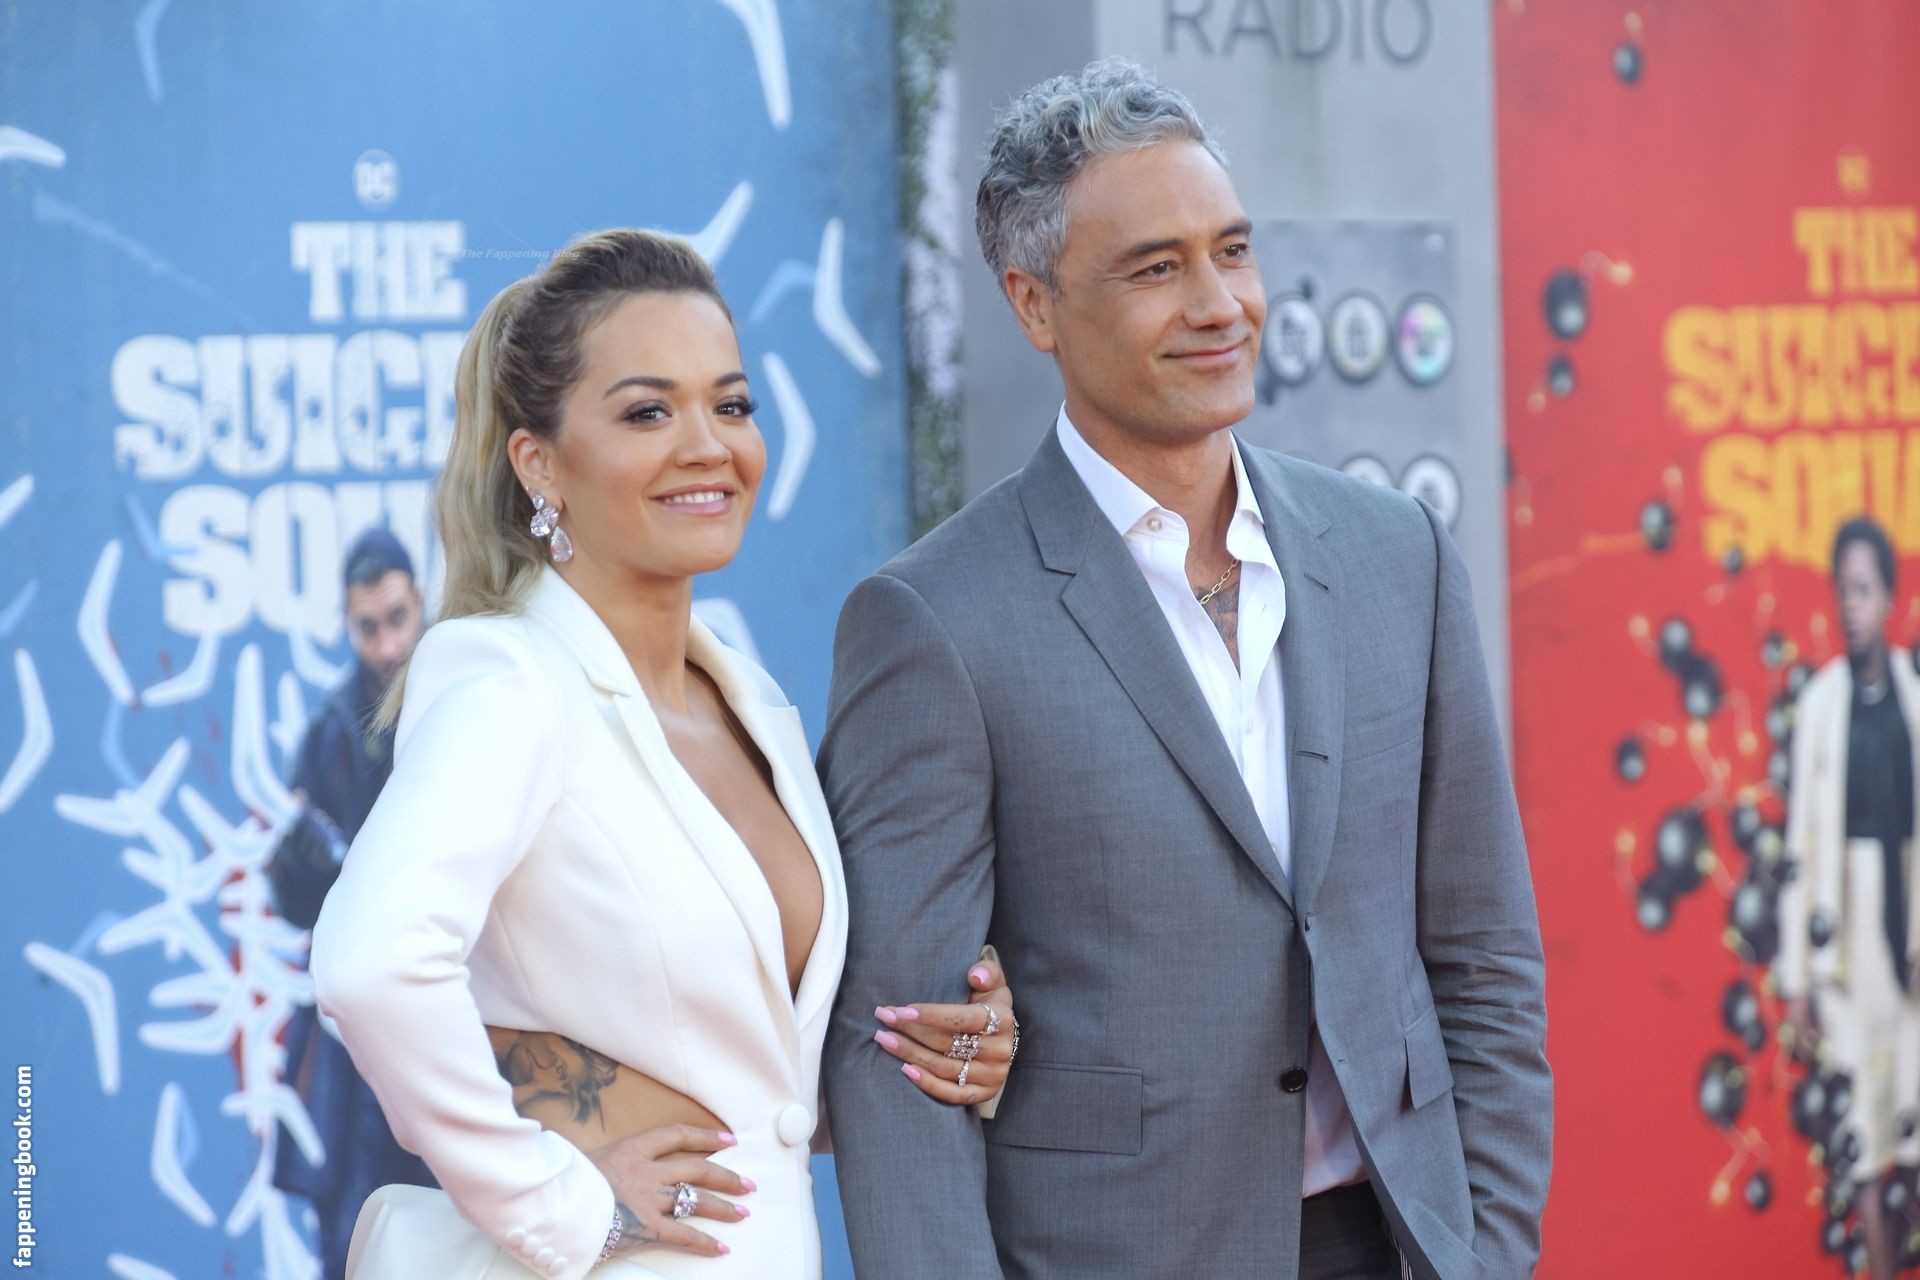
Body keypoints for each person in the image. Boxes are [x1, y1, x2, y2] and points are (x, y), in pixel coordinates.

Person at [820, 59, 1552, 1279]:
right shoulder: (934, 622)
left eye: (1233, 251)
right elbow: (902, 1061)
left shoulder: (1397, 557)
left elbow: (1483, 957)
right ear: (1034, 304)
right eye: (1156, 268)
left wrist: (1488, 1250)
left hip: (1398, 1240)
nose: (1221, 304)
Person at [309, 230, 1018, 1280]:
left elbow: (761, 1080)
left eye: (731, 405)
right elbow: (371, 963)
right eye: (648, 412)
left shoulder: (749, 702)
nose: (707, 445)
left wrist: (956, 1041)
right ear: (538, 462)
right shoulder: (513, 682)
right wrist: (558, 1208)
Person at [267, 527, 435, 1280]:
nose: (388, 644)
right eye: (369, 627)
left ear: (420, 602)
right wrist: (296, 879)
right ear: (347, 623)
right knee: (356, 1245)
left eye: (397, 618)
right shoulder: (331, 729)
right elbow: (295, 891)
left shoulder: (462, 700)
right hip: (355, 1036)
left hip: (458, 1016)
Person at [1779, 516, 1920, 1280]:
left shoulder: (1915, 698)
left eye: (1864, 589)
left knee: (1913, 1132)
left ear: (1890, 597)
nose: (1851, 605)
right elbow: (1800, 846)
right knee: (1863, 1138)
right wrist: (1796, 980)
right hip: (1846, 949)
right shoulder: (1822, 703)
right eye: (1843, 590)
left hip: (1910, 938)